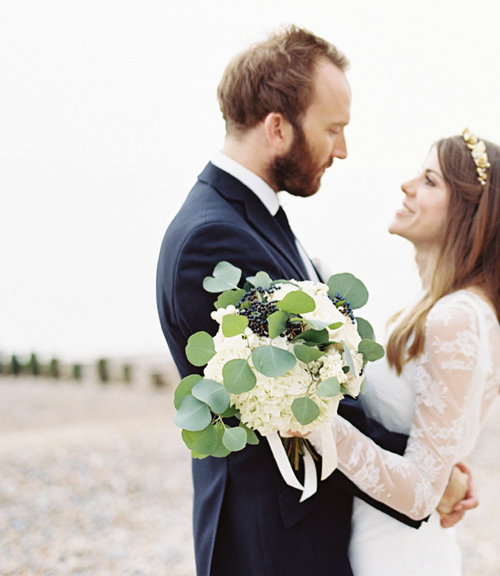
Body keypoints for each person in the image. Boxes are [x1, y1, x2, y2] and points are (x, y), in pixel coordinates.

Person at [155, 26, 472, 576]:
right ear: (278, 128)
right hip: (271, 546)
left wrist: (428, 466)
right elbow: (301, 407)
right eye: (333, 129)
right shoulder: (214, 240)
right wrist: (426, 473)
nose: (343, 150)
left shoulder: (255, 220)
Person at [312, 129, 500, 575]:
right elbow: (430, 449)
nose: (407, 186)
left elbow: (420, 493)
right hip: (382, 538)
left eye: (430, 180)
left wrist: (315, 426)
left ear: (472, 214)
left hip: (398, 554)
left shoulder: (455, 318)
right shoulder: (450, 310)